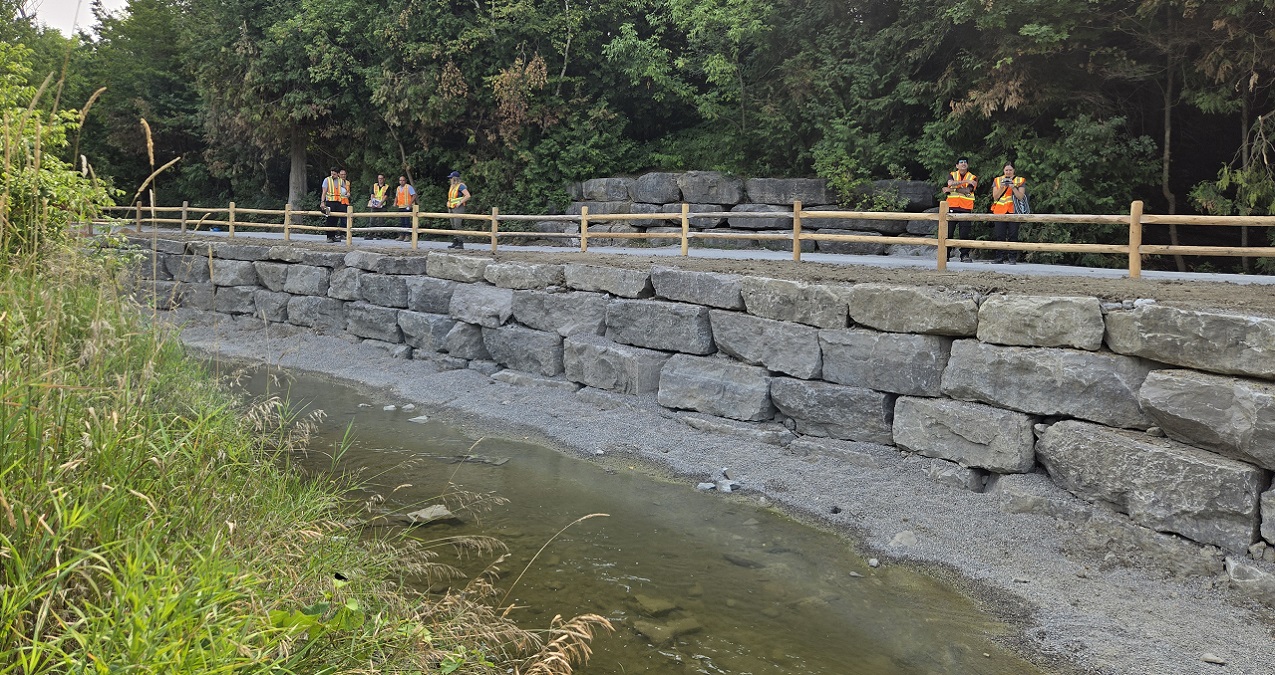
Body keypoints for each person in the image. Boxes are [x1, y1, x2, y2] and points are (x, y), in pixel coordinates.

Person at [940, 157, 978, 262]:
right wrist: (965, 181)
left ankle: (964, 255)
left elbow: (967, 191)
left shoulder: (973, 177)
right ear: (957, 165)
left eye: (965, 162)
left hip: (966, 208)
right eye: (961, 162)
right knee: (948, 232)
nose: (963, 164)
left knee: (964, 233)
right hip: (951, 206)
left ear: (968, 165)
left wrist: (952, 189)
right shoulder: (952, 174)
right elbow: (950, 182)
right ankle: (945, 255)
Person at [989, 163, 1027, 264]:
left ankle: (1012, 258)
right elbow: (995, 197)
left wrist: (1013, 187)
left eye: (1010, 170)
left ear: (1014, 170)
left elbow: (1020, 197)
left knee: (1013, 235)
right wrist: (1002, 187)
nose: (1008, 172)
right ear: (1003, 171)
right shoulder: (997, 180)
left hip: (1014, 211)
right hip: (999, 211)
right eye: (1006, 170)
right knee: (999, 235)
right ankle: (999, 257)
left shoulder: (1020, 180)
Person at [319, 166, 348, 243]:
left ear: (338, 174)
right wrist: (322, 202)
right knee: (329, 219)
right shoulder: (327, 180)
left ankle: (333, 236)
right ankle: (329, 237)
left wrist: (347, 194)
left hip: (338, 202)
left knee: (335, 219)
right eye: (331, 173)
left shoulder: (340, 181)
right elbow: (324, 192)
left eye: (334, 174)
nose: (332, 175)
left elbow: (345, 189)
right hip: (329, 202)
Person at [446, 170, 470, 249]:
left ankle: (460, 242)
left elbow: (467, 195)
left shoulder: (461, 186)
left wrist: (460, 202)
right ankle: (455, 241)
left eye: (451, 178)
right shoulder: (452, 186)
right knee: (453, 225)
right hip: (451, 207)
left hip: (458, 207)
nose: (450, 179)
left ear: (455, 178)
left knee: (457, 225)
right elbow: (451, 197)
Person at [394, 175, 416, 242]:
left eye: (403, 180)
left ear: (405, 181)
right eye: (400, 180)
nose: (402, 181)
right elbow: (397, 196)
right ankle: (402, 235)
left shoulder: (409, 187)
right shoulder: (398, 188)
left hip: (407, 207)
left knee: (407, 221)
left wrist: (410, 204)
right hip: (400, 206)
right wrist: (395, 202)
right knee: (402, 222)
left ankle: (407, 235)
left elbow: (414, 195)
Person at [367, 174, 389, 239]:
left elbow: (386, 196)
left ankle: (379, 234)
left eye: (381, 178)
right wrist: (373, 202)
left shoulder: (387, 187)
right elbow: (372, 194)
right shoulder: (374, 185)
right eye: (379, 178)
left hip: (382, 205)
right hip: (374, 205)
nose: (380, 180)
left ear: (384, 179)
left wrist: (380, 203)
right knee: (372, 220)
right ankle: (370, 234)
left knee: (381, 221)